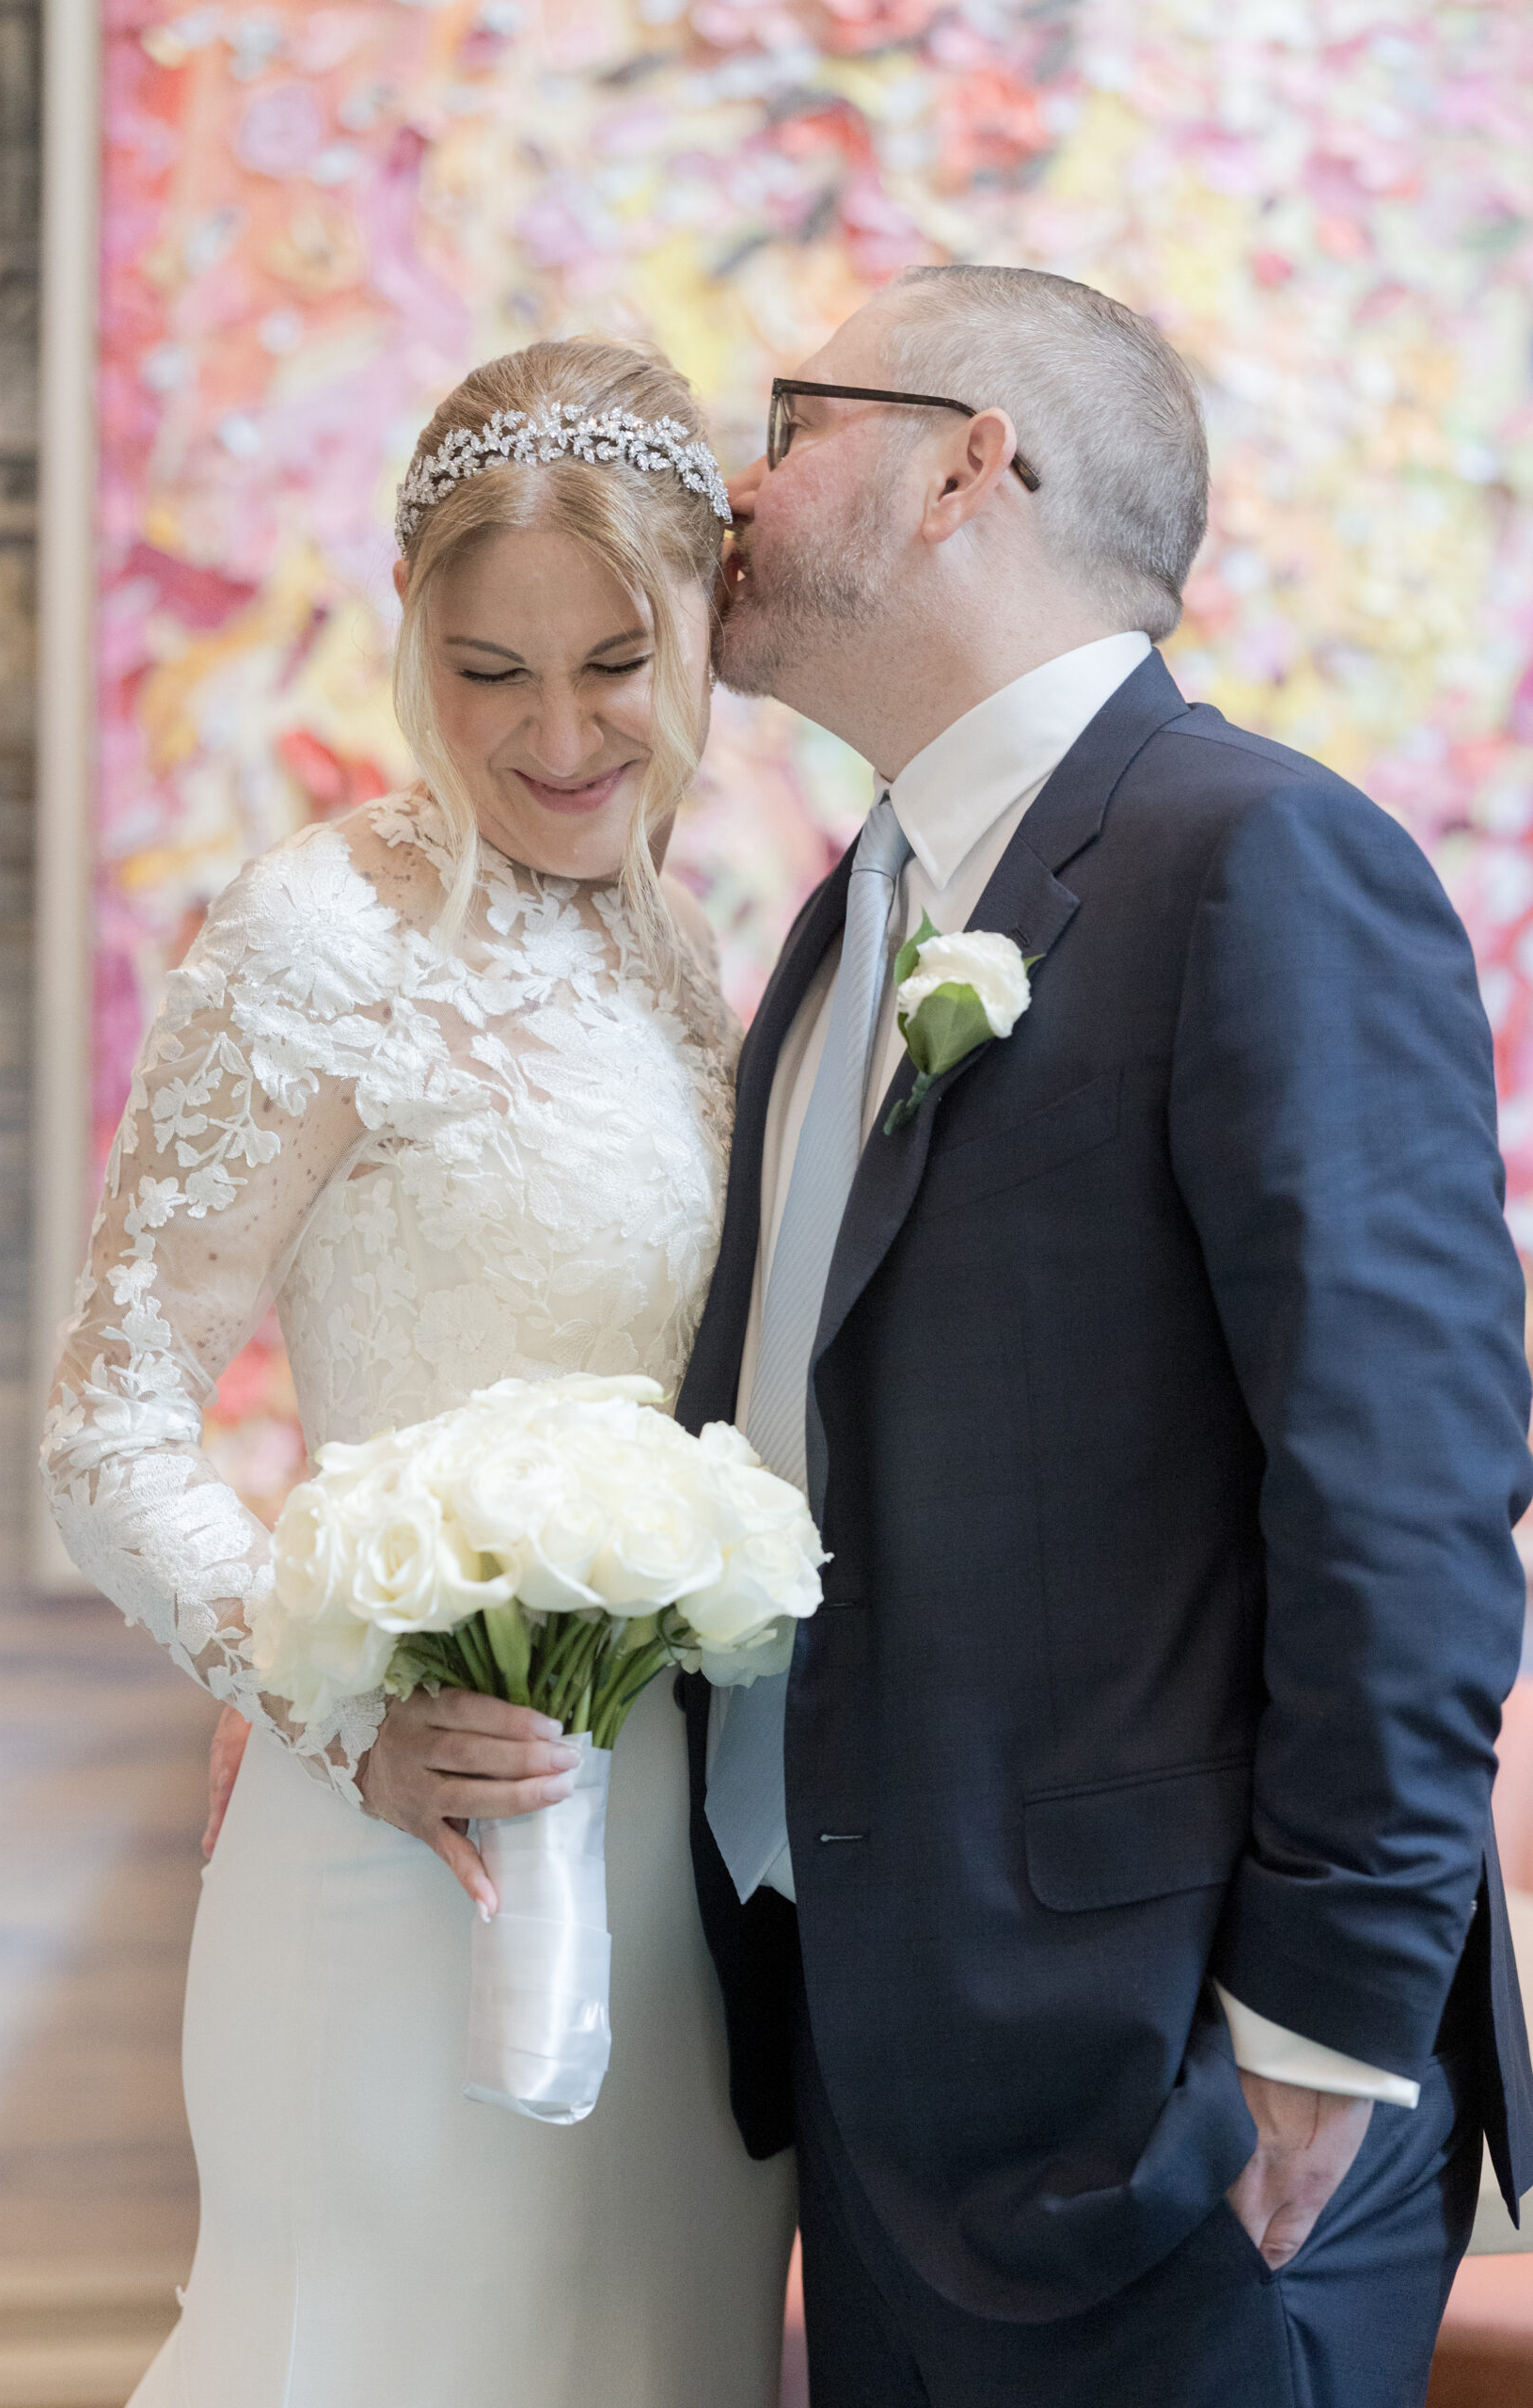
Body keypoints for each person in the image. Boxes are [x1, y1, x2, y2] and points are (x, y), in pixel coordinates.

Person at [675, 263, 1533, 2406]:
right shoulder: (844, 916)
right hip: (884, 2074)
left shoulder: (1254, 858)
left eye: (791, 419)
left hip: (1184, 2102)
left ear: (971, 462)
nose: (736, 483)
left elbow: (1405, 1482)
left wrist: (1319, 2027)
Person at [41, 338, 796, 2407]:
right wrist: (336, 1704)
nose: (554, 735)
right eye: (486, 672)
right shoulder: (316, 935)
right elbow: (104, 1423)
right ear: (410, 652)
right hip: (398, 1847)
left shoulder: (679, 947)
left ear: (700, 635)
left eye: (612, 664)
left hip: (677, 1880)